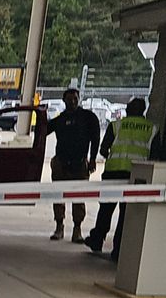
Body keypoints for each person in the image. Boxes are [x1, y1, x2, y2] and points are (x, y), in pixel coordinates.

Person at [86, 97, 156, 258]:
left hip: (113, 172)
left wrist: (114, 157)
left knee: (106, 209)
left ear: (128, 110)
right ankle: (118, 249)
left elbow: (103, 150)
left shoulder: (116, 125)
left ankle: (97, 240)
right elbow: (155, 155)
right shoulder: (152, 129)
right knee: (126, 214)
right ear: (143, 111)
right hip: (136, 175)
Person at [48, 88, 100, 243]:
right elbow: (43, 131)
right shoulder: (60, 119)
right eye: (69, 99)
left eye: (75, 99)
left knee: (79, 197)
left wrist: (93, 159)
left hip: (80, 163)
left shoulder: (88, 117)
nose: (72, 102)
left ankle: (77, 230)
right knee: (58, 196)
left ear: (79, 99)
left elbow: (95, 139)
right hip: (61, 163)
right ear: (63, 101)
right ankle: (59, 227)